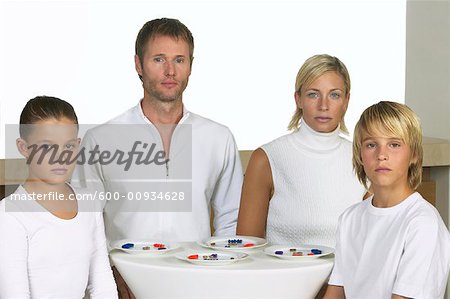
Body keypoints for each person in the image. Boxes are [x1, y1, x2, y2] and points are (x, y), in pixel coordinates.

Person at [72, 18, 243, 297]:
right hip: (124, 287)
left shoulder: (218, 138)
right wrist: (110, 275)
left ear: (191, 65)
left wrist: (218, 275)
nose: (170, 71)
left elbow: (230, 219)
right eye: (159, 59)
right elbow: (87, 221)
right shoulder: (101, 139)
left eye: (179, 59)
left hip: (199, 285)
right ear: (138, 64)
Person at [237, 54, 366, 248]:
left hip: (350, 278)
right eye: (313, 94)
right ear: (298, 99)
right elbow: (247, 249)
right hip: (284, 277)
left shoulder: (364, 157)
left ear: (346, 100)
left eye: (334, 95)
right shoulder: (267, 158)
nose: (324, 105)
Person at [324, 101, 450, 298]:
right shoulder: (350, 219)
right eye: (371, 145)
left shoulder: (422, 223)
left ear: (414, 154)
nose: (381, 155)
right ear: (359, 155)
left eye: (394, 144)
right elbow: (337, 292)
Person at [0, 96, 118, 298]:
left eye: (69, 146)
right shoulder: (11, 214)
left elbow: (102, 282)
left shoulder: (89, 202)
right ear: (23, 148)